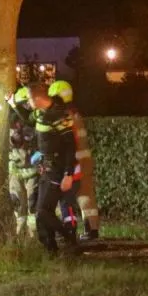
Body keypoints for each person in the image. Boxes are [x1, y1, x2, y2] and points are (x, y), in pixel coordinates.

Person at [30, 82, 79, 255]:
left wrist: (68, 174)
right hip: (46, 168)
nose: (29, 103)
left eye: (29, 99)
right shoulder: (40, 114)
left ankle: (69, 238)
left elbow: (70, 146)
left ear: (37, 98)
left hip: (57, 170)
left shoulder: (59, 115)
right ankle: (51, 249)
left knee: (43, 211)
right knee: (41, 212)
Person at [50, 80, 101, 240]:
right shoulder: (75, 113)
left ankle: (69, 229)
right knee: (86, 195)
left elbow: (66, 141)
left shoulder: (65, 117)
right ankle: (92, 230)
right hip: (85, 160)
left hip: (74, 162)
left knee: (66, 197)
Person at [7, 87, 40, 238]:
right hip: (15, 171)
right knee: (17, 206)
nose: (28, 107)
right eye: (25, 105)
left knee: (32, 206)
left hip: (31, 171)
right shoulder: (10, 123)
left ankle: (33, 237)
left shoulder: (33, 123)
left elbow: (28, 137)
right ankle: (19, 237)